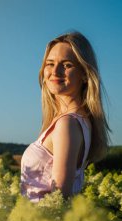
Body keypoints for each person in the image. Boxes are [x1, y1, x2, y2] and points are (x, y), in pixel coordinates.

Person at [20, 31, 110, 202]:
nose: (55, 71)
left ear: (85, 74)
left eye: (67, 65)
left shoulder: (67, 124)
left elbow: (59, 199)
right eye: (50, 63)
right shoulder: (78, 121)